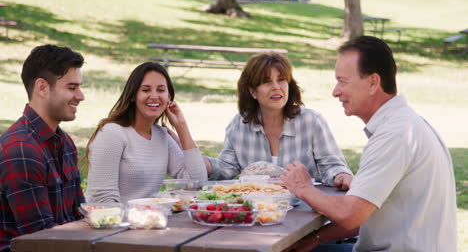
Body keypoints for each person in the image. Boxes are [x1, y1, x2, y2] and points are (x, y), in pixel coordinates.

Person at [281, 36, 457, 252]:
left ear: (373, 82)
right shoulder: (404, 124)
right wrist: (315, 238)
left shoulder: (395, 134)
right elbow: (366, 215)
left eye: (342, 81)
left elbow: (350, 214)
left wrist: (302, 188)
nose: (335, 91)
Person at [205, 52, 353, 189]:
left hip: (303, 209)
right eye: (266, 82)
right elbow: (226, 167)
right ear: (252, 91)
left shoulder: (311, 121)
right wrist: (201, 163)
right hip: (259, 211)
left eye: (281, 80)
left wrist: (341, 176)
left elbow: (333, 166)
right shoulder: (239, 124)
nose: (276, 87)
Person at [0, 45, 86, 251]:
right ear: (42, 87)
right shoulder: (21, 150)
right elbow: (41, 240)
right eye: (72, 87)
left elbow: (80, 214)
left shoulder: (65, 143)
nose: (81, 96)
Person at [84, 62, 207, 204]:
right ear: (132, 95)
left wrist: (182, 127)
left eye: (161, 90)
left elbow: (197, 183)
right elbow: (102, 199)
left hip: (150, 221)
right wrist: (136, 220)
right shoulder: (112, 133)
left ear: (169, 98)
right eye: (146, 90)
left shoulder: (162, 136)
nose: (154, 96)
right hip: (116, 222)